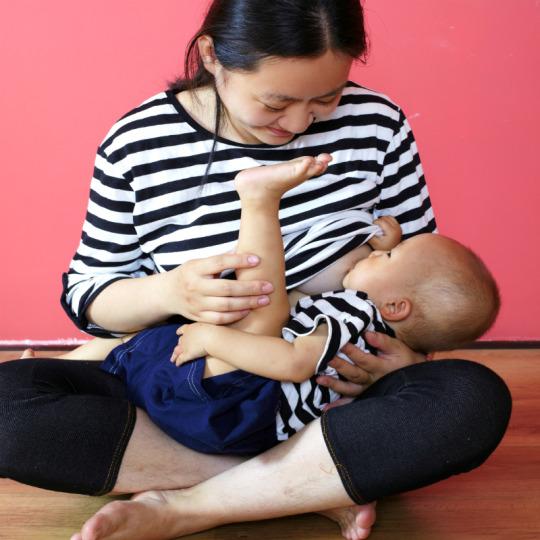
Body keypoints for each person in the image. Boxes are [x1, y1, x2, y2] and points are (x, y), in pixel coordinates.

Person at [0, 1, 511, 539]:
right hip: (184, 387)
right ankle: (302, 486)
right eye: (276, 101)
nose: (298, 123)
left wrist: (404, 359)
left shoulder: (378, 124)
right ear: (211, 56)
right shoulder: (137, 143)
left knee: (470, 400)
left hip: (323, 399)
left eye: (326, 98)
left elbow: (422, 268)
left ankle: (191, 506)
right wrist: (169, 291)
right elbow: (89, 297)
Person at [61, 155, 500, 462]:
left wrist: (214, 335)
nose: (373, 250)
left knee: (265, 311)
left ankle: (259, 202)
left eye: (386, 256)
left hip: (234, 402)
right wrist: (383, 251)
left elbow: (293, 363)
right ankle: (60, 371)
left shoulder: (356, 316)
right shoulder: (364, 312)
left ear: (397, 306)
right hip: (226, 414)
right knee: (136, 346)